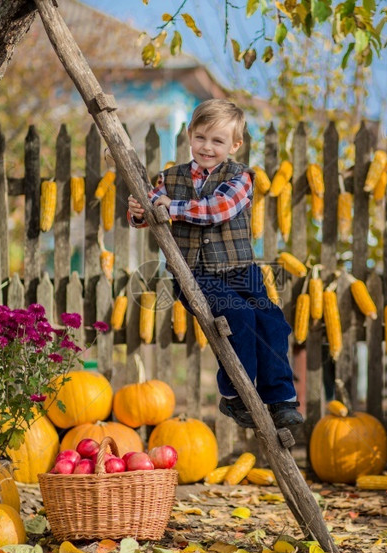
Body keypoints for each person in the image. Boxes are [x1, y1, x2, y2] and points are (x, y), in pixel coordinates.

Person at [127, 99, 303, 429]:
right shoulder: (169, 178)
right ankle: (236, 396)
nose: (208, 147)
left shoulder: (241, 178)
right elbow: (152, 208)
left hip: (241, 271)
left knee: (272, 321)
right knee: (238, 315)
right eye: (201, 138)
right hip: (195, 274)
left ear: (234, 145)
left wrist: (172, 206)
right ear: (190, 135)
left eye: (218, 141)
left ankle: (280, 399)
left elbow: (218, 209)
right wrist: (139, 211)